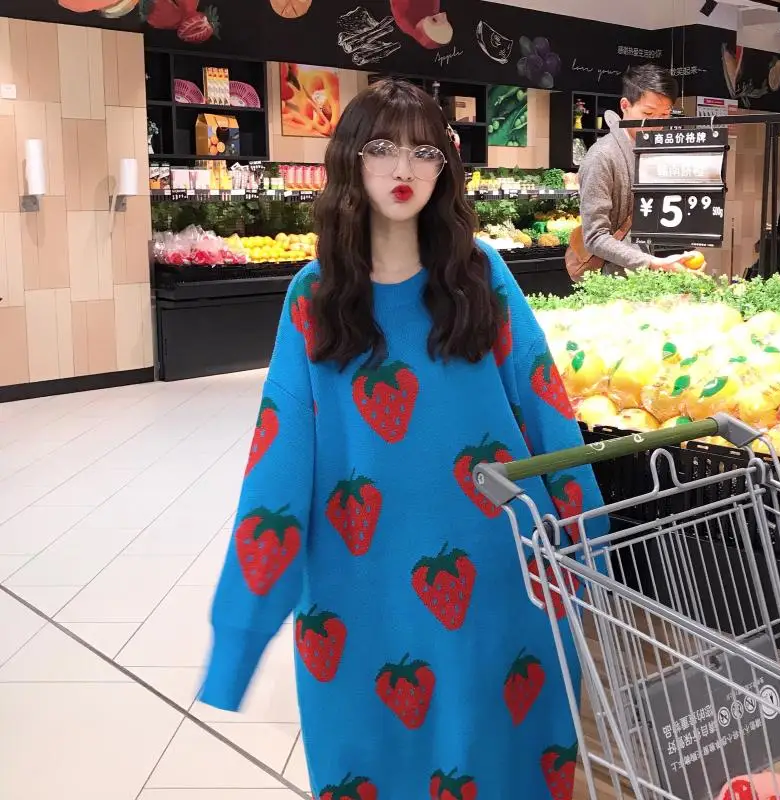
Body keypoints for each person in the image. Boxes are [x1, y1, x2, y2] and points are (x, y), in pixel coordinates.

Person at [198, 79, 607, 798]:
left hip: (504, 576)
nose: (403, 168)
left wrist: (590, 550)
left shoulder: (482, 276)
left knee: (505, 757)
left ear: (445, 168)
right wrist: (239, 638)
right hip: (365, 592)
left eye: (425, 151)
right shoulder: (315, 299)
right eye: (382, 147)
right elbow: (275, 475)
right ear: (349, 160)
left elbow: (548, 411)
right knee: (377, 758)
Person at [576, 63, 690, 274]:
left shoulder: (652, 150)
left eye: (664, 115)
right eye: (648, 113)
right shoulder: (602, 156)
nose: (656, 124)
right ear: (625, 105)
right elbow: (594, 237)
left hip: (647, 272)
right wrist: (651, 262)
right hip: (612, 279)